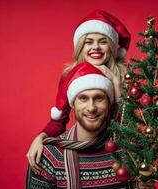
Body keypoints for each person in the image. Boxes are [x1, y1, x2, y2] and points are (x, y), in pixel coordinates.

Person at [25, 62, 157, 189]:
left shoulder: (128, 153)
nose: (91, 108)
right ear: (73, 104)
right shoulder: (49, 157)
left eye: (99, 98)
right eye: (83, 99)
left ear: (109, 103)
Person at [26, 10, 131, 174]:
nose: (95, 47)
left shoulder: (127, 75)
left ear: (111, 47)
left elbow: (132, 126)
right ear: (81, 47)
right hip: (85, 149)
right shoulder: (70, 75)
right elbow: (58, 121)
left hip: (119, 153)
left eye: (102, 42)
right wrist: (40, 137)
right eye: (89, 42)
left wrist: (117, 86)